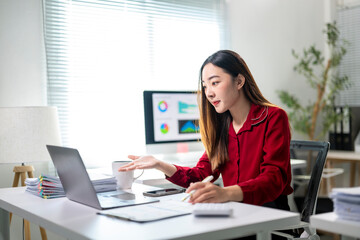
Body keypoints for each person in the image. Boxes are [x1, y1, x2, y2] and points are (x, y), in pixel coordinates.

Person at [119, 50, 293, 210]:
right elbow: (201, 174)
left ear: (239, 81)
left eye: (215, 83)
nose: (208, 93)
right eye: (205, 85)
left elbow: (273, 180)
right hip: (236, 211)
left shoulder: (273, 117)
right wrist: (159, 164)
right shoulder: (222, 126)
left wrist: (225, 193)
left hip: (270, 213)